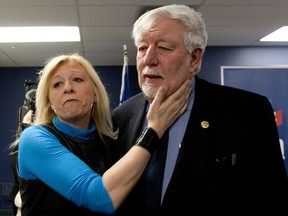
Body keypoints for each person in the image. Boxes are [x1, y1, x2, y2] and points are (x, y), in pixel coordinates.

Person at [111, 4, 288, 216]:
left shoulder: (247, 112)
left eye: (164, 48)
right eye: (142, 48)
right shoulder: (120, 117)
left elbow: (272, 200)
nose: (148, 59)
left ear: (195, 58)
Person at [17, 53, 191, 216]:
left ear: (95, 94)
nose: (68, 88)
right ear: (49, 102)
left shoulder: (110, 143)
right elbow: (98, 197)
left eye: (77, 79)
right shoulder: (34, 139)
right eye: (57, 84)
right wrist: (154, 129)